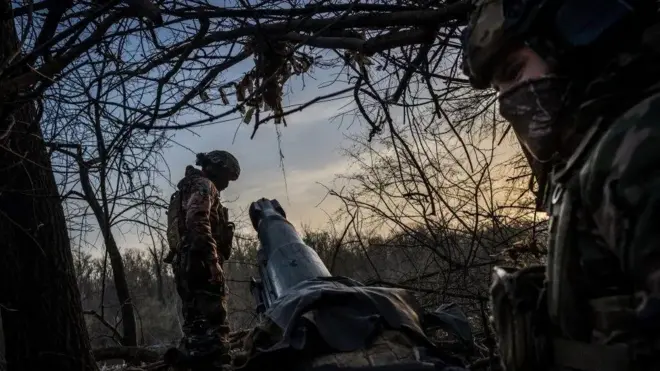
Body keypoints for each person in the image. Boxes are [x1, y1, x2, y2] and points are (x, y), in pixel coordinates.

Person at [461, 0, 660, 370]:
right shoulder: (594, 151)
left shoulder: (640, 142)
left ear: (573, 40)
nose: (507, 103)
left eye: (515, 71)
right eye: (499, 89)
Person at [166, 150, 239, 365]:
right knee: (214, 330)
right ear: (218, 169)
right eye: (228, 177)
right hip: (200, 262)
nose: (227, 183)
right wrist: (213, 262)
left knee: (196, 327)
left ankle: (192, 360)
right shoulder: (205, 186)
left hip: (184, 263)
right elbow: (197, 221)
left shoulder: (185, 189)